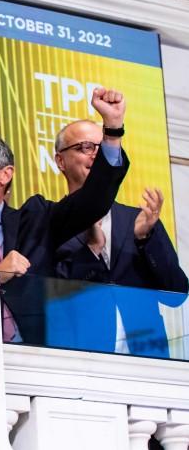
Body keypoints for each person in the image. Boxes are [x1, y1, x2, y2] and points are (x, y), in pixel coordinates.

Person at [0, 87, 130, 345]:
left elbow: (94, 200)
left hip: (40, 363)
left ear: (5, 175)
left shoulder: (37, 220)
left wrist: (113, 129)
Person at [47, 119, 187, 357]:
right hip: (81, 359)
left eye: (101, 148)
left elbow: (176, 295)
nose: (96, 156)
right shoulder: (48, 221)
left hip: (149, 358)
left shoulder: (139, 220)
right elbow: (49, 297)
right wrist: (89, 251)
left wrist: (145, 239)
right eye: (85, 147)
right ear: (60, 160)